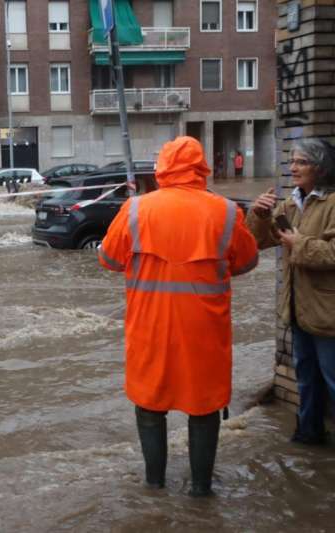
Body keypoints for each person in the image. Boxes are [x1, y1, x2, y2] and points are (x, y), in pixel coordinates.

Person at [98, 137, 259, 497]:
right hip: (205, 331)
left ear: (162, 169)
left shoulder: (137, 210)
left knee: (150, 405)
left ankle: (154, 486)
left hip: (150, 329)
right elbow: (247, 262)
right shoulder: (226, 211)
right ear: (201, 168)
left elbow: (108, 260)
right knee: (204, 408)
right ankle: (201, 490)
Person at [246, 138, 335, 445]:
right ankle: (309, 433)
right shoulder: (289, 204)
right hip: (297, 310)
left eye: (301, 162)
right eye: (292, 162)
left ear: (320, 168)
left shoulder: (333, 204)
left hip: (327, 313)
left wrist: (300, 245)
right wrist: (258, 215)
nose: (293, 168)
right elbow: (260, 242)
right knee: (306, 378)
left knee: (333, 381)